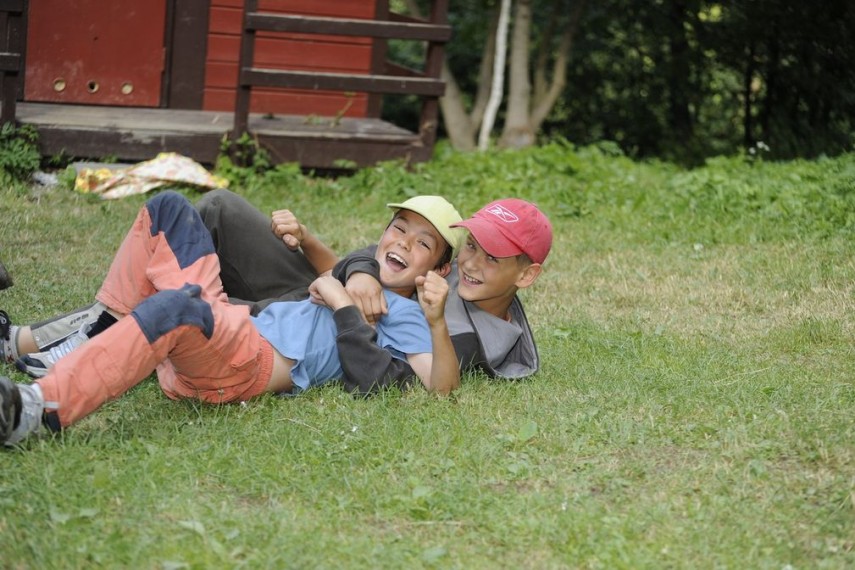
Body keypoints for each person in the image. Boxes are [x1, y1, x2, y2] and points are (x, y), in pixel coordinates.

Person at [0, 190, 464, 447]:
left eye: (423, 243)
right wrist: (332, 272)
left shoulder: (407, 314)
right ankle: (102, 327)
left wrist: (346, 303)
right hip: (227, 324)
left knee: (177, 307)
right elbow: (339, 264)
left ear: (441, 270)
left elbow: (440, 389)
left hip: (244, 362)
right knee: (170, 208)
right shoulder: (359, 272)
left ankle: (38, 409)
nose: (404, 242)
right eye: (399, 229)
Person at [4, 190, 553, 384]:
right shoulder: (448, 263)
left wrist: (346, 298)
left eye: (493, 256)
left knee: (181, 309)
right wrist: (354, 268)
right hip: (313, 300)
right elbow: (389, 254)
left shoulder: (472, 336)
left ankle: (35, 341)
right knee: (219, 208)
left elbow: (406, 378)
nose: (473, 263)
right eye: (473, 245)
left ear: (526, 274)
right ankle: (53, 336)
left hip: (303, 328)